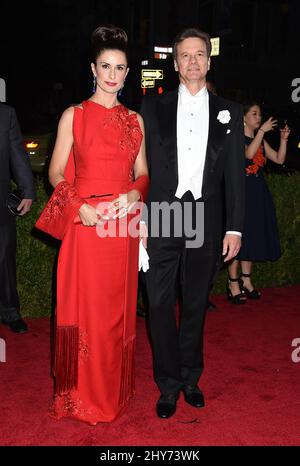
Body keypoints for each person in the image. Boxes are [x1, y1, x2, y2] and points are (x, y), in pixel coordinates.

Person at [38, 25, 148, 424]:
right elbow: (53, 173)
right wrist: (79, 207)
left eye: (120, 68)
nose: (112, 75)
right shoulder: (74, 115)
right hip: (85, 229)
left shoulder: (135, 120)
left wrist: (135, 195)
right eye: (106, 66)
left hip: (121, 231)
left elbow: (144, 174)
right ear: (93, 68)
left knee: (115, 317)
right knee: (83, 315)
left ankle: (112, 394)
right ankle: (78, 396)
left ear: (127, 73)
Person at [140, 28, 245, 419]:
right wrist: (140, 218)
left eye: (199, 54)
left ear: (209, 60)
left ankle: (190, 378)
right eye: (185, 55)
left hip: (204, 215)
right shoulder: (153, 107)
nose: (193, 61)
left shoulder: (229, 111)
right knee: (160, 302)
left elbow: (235, 174)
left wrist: (234, 227)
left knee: (196, 303)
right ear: (176, 62)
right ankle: (167, 384)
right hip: (163, 215)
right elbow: (140, 167)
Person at [227, 102, 290, 302]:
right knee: (238, 236)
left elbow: (279, 160)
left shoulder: (260, 140)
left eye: (260, 114)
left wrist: (283, 140)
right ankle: (233, 282)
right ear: (244, 117)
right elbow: (248, 155)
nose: (259, 117)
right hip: (241, 193)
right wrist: (262, 132)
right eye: (254, 114)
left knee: (252, 236)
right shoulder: (236, 138)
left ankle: (247, 280)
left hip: (258, 192)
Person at [0, 103, 35, 333]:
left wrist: (27, 190)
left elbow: (16, 152)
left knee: (4, 256)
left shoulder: (5, 114)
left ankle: (10, 312)